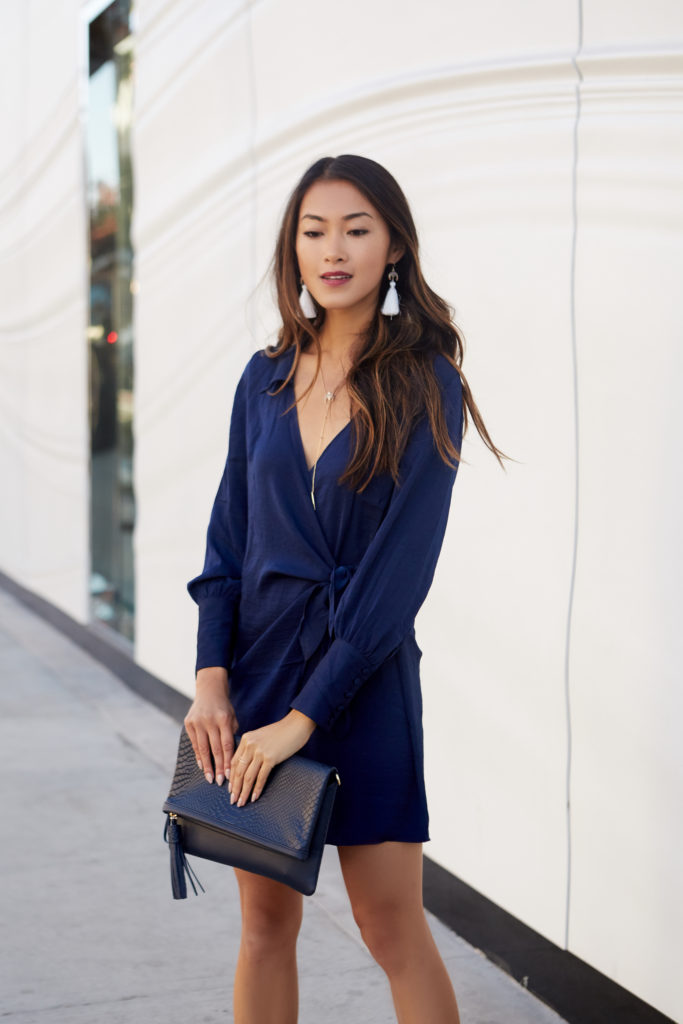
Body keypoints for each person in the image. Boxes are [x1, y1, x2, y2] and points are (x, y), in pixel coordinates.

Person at [183, 154, 504, 1024]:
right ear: (293, 249)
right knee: (263, 926)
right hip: (259, 676)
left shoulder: (426, 381)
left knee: (390, 927)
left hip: (362, 687)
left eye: (356, 230)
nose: (334, 250)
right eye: (314, 231)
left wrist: (305, 719)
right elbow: (227, 545)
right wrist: (212, 683)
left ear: (393, 245)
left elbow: (395, 581)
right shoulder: (264, 377)